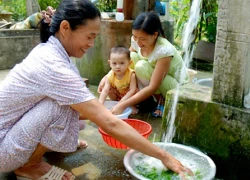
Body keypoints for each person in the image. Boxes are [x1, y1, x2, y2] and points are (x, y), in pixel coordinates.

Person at [0, 1, 192, 180]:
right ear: (65, 28)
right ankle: (30, 165)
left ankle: (46, 147)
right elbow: (110, 124)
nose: (91, 44)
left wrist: (101, 112)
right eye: (89, 36)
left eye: (95, 37)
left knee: (74, 117)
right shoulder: (53, 65)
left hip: (9, 132)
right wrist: (163, 156)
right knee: (60, 107)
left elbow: (92, 113)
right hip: (3, 150)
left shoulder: (49, 50)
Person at [98, 11, 189, 117]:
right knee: (131, 56)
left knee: (141, 67)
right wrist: (106, 77)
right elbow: (125, 59)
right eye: (135, 37)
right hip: (155, 79)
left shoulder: (164, 50)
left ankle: (161, 102)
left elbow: (153, 87)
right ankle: (141, 97)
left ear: (155, 35)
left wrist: (122, 104)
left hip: (176, 86)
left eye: (143, 39)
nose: (138, 42)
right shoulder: (137, 41)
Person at [99, 46, 138, 113]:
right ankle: (117, 104)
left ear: (129, 63)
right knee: (109, 90)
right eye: (114, 63)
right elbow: (105, 90)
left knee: (133, 109)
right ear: (109, 63)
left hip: (129, 97)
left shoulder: (131, 74)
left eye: (122, 63)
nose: (118, 66)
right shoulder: (110, 75)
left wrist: (121, 103)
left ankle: (130, 106)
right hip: (119, 95)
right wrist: (100, 104)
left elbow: (132, 90)